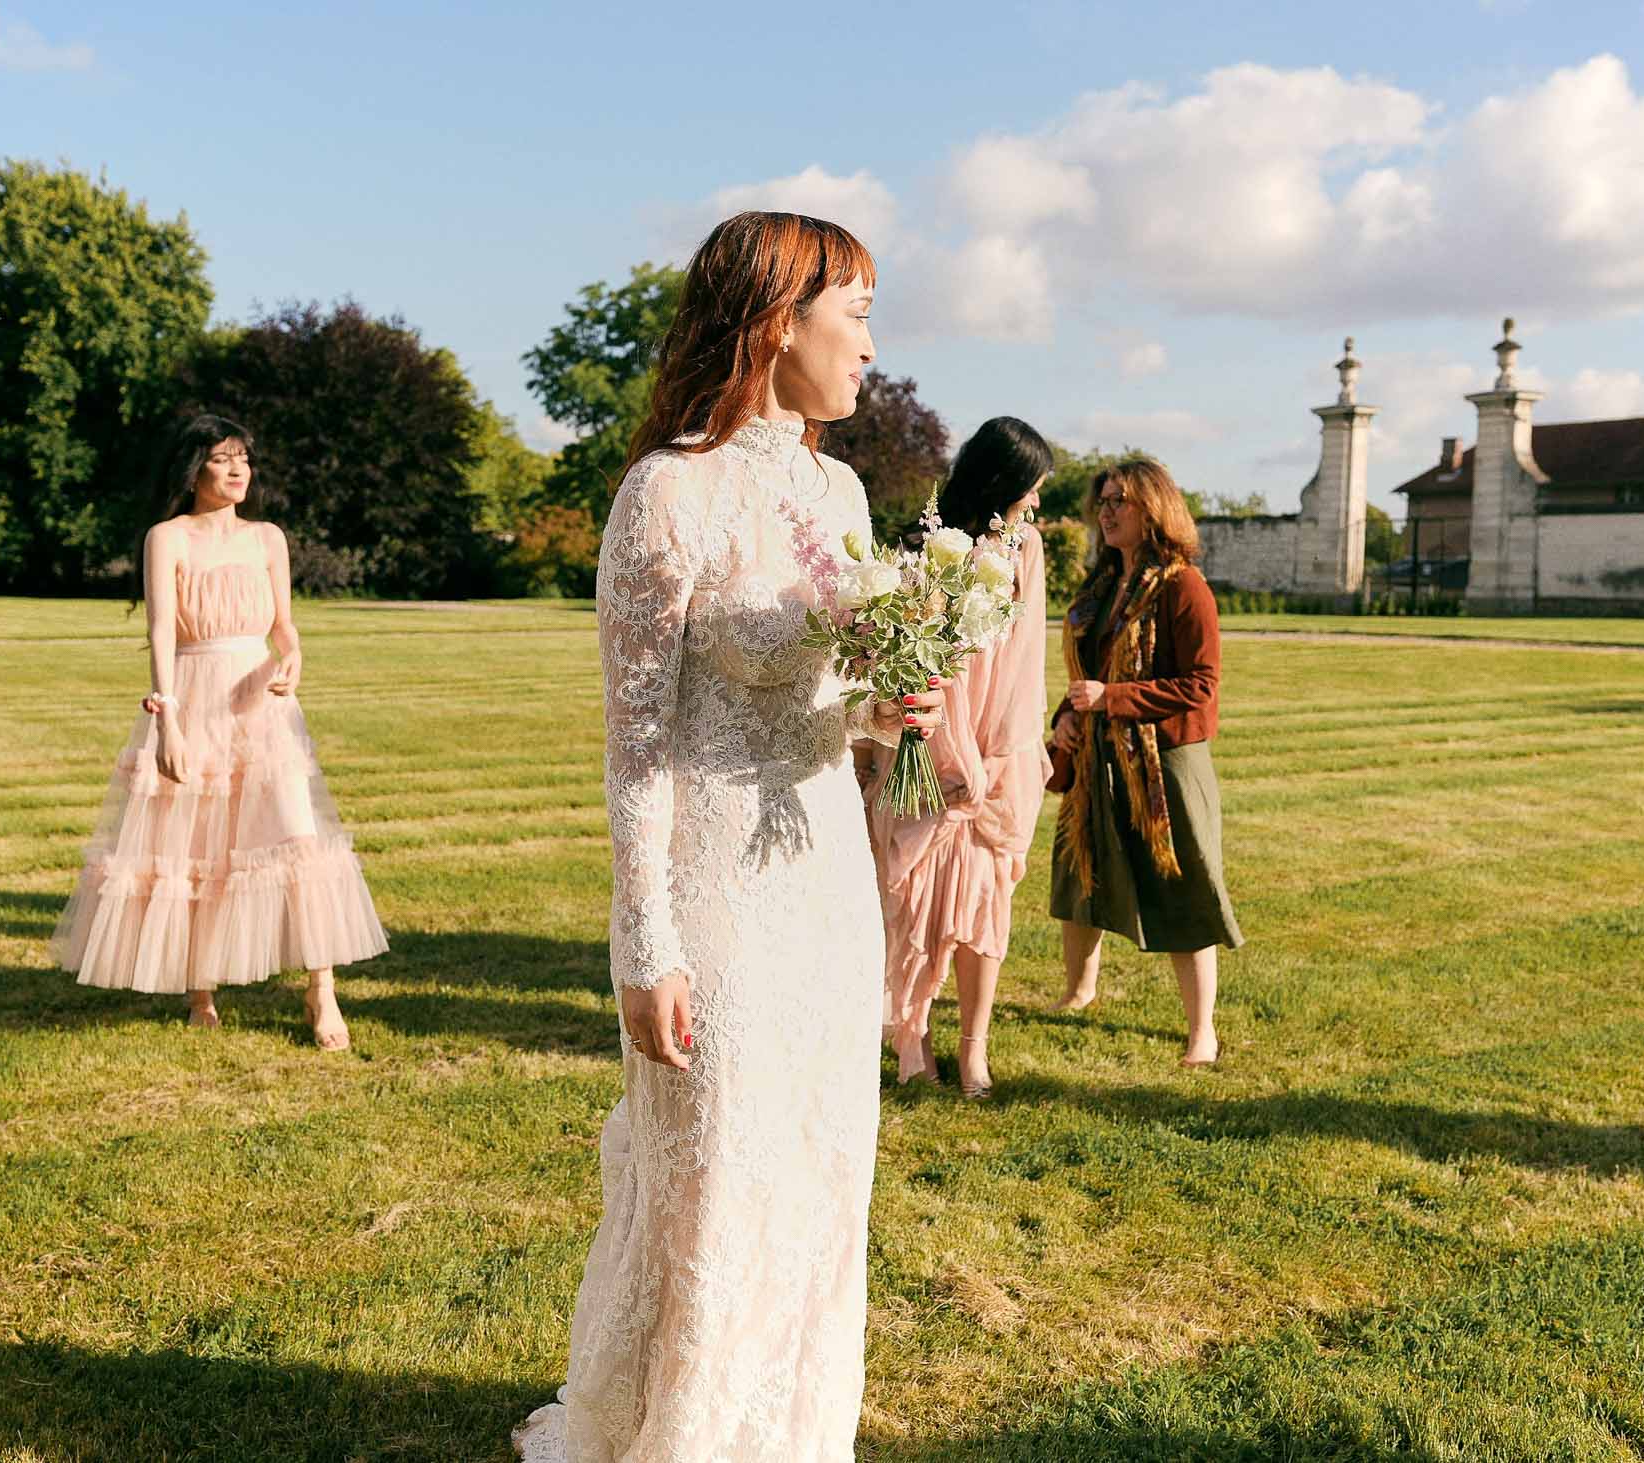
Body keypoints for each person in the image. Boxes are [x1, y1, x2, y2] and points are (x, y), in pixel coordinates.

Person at [513, 212, 944, 1463]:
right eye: (853, 313)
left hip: (822, 878)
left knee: (817, 1171)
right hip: (716, 894)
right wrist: (643, 940)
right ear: (775, 323)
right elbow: (636, 740)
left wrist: (883, 708)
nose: (869, 344)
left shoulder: (840, 490)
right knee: (719, 1174)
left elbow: (833, 700)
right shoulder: (667, 490)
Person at [50, 414, 387, 1051]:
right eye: (223, 459)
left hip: (261, 700)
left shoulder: (267, 538)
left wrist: (293, 655)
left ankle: (322, 989)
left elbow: (284, 624)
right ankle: (199, 985)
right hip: (194, 691)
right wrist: (167, 719)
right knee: (194, 842)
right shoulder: (167, 537)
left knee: (296, 837)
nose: (238, 471)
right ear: (194, 468)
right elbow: (158, 632)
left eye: (245, 460)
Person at [861, 417, 1052, 1099]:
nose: (1036, 502)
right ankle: (912, 1036)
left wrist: (991, 756)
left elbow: (1023, 660)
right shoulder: (924, 545)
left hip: (992, 754)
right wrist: (928, 740)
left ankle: (975, 1049)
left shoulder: (1023, 546)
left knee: (982, 903)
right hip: (923, 743)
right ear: (1004, 479)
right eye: (1032, 487)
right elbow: (898, 650)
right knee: (909, 901)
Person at [1048, 453, 1242, 1066]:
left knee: (1183, 888)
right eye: (1100, 502)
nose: (1105, 513)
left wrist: (1115, 699)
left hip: (1167, 765)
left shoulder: (1185, 586)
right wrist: (1067, 716)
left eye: (1118, 502)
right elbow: (1091, 673)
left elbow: (1201, 687)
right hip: (1100, 755)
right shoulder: (1101, 586)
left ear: (1152, 508)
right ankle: (1079, 991)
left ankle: (1201, 1031)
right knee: (1081, 870)